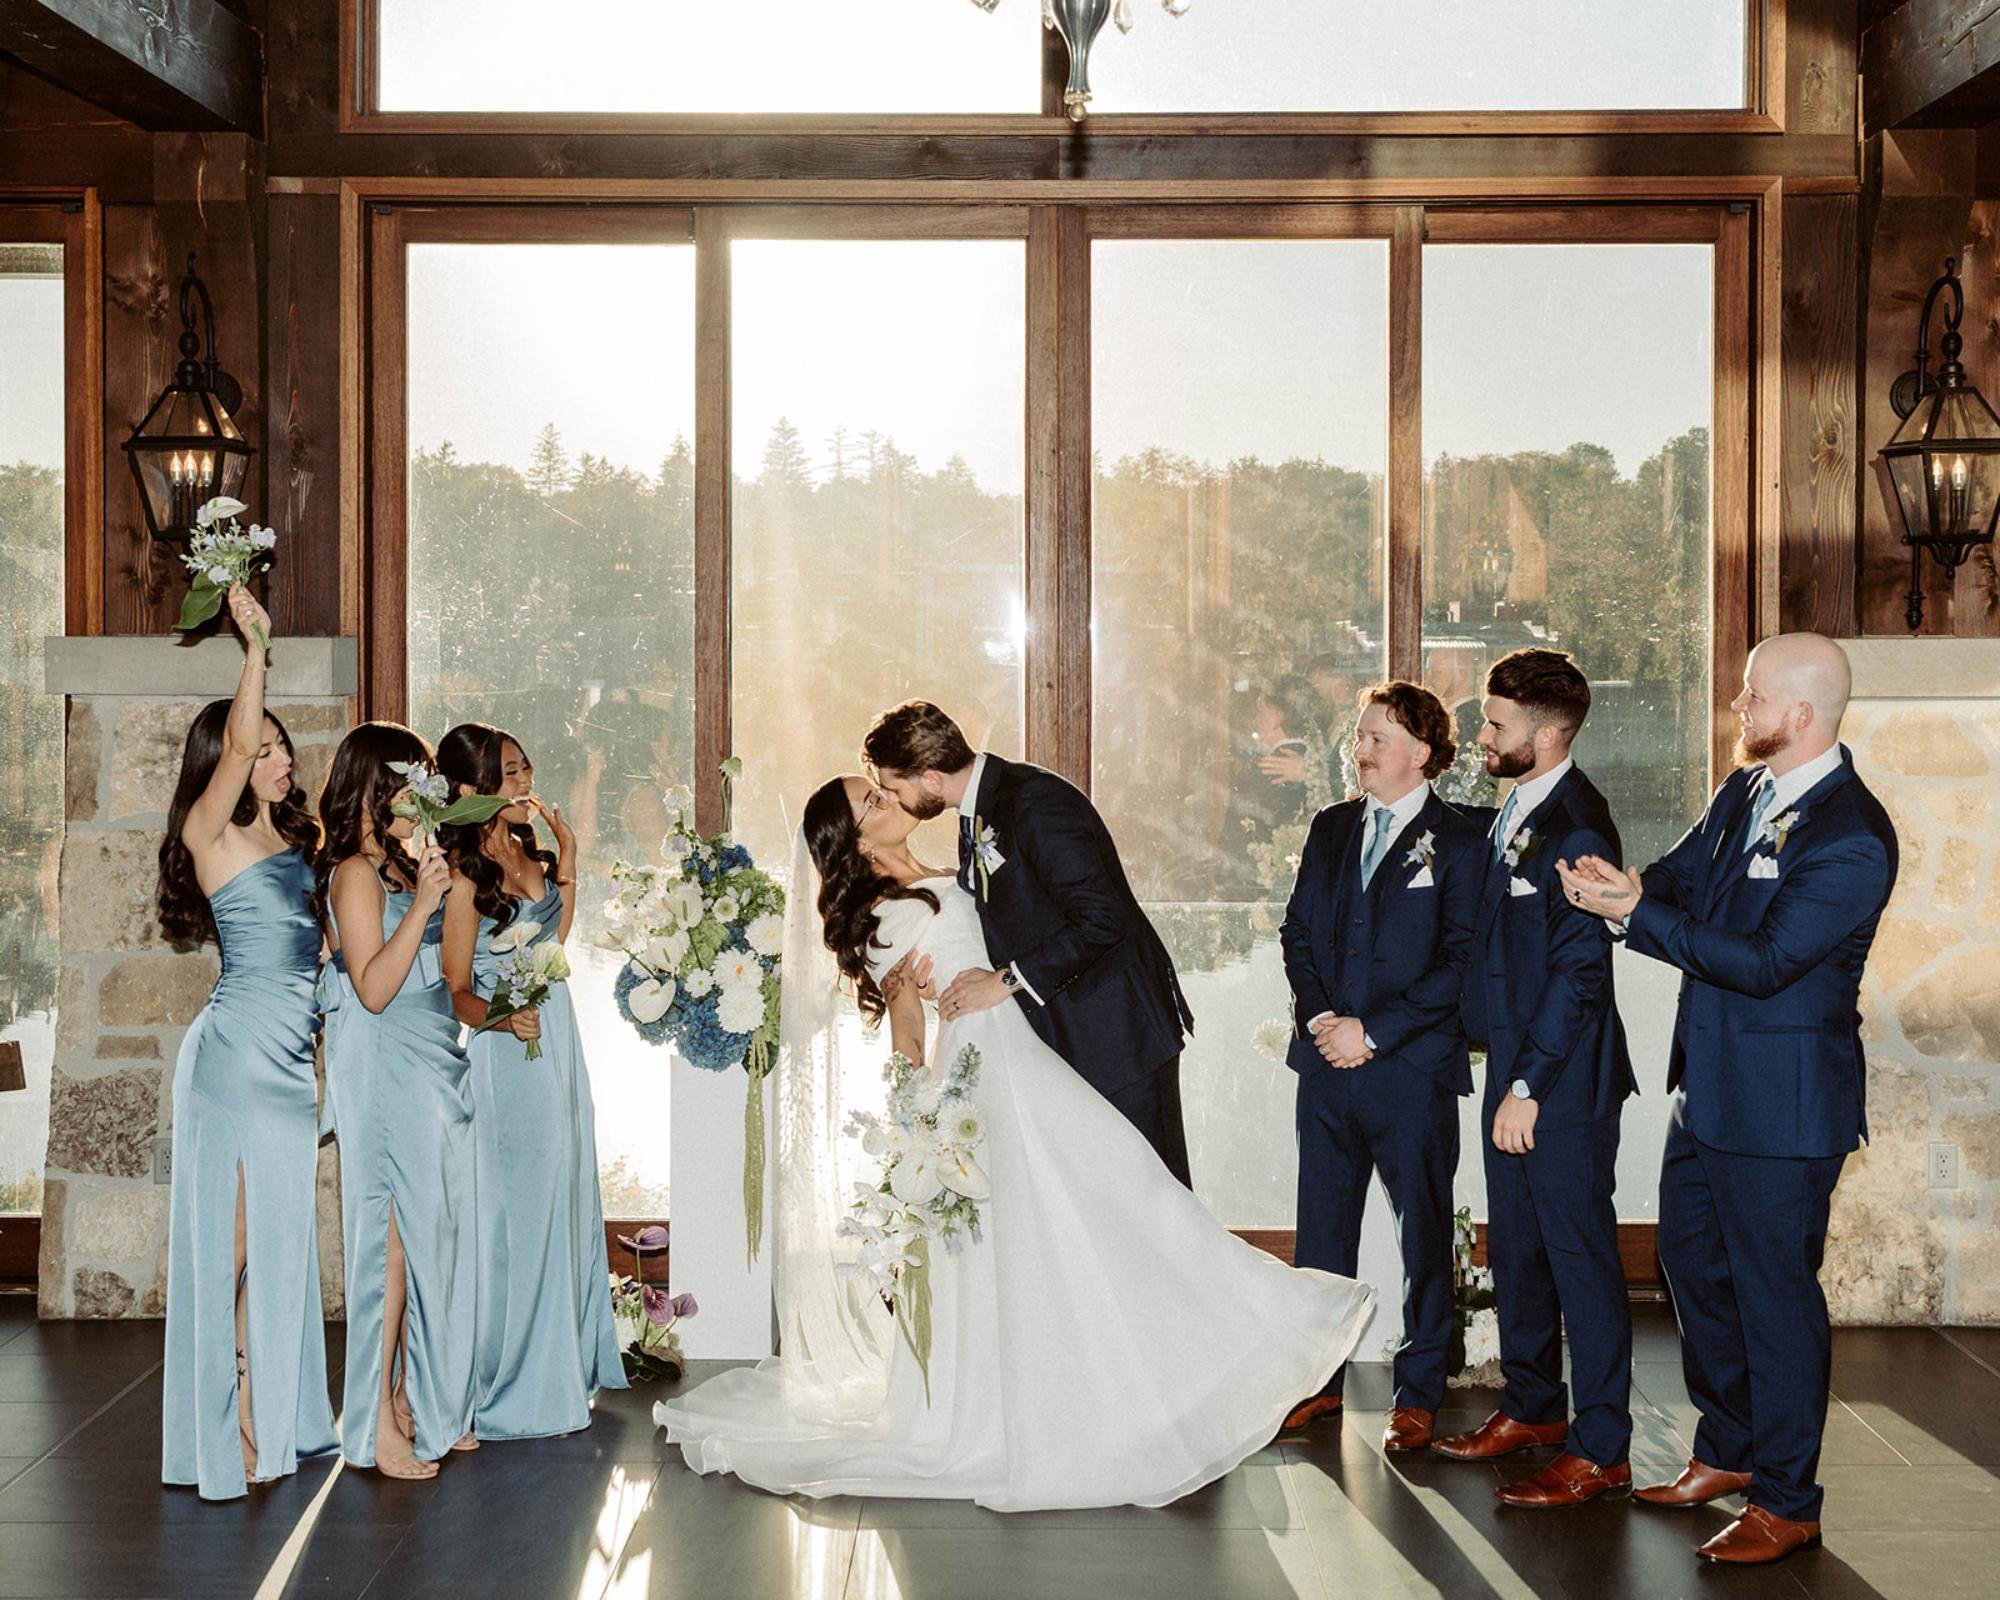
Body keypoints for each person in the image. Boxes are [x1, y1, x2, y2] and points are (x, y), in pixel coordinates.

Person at [652, 774, 1376, 1510]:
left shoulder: (954, 869)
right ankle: (1037, 1413)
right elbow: (907, 1030)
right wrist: (920, 1127)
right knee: (1068, 1219)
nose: (887, 801)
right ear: (855, 842)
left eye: (878, 789)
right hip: (975, 1082)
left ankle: (1196, 1361)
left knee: (1128, 1196)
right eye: (870, 803)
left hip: (1028, 1056)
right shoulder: (877, 920)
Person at [1557, 633, 1897, 1566]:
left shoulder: (1853, 837)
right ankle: (1730, 1450)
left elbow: (1766, 963)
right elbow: (1686, 873)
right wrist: (1631, 887)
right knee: (1692, 1265)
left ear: (1801, 713)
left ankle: (1789, 1501)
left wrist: (1638, 919)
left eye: (1751, 697)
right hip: (1706, 1089)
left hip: (1785, 1110)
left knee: (1775, 1299)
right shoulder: (1746, 790)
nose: (1737, 710)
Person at [1433, 648, 1637, 1510]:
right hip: (1513, 1075)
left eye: (1495, 724)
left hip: (1560, 1088)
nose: (1481, 736)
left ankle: (1603, 1449)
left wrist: (1531, 1087)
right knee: (1516, 1251)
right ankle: (1533, 1411)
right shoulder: (1513, 808)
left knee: (1580, 1263)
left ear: (1549, 735)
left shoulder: (1578, 828)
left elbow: (1579, 976)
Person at [155, 587, 337, 1500]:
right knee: (230, 1247)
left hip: (290, 1067)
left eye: (278, 746)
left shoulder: (308, 846)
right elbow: (231, 742)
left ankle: (276, 1412)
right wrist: (254, 645)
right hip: (230, 1060)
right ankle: (227, 1423)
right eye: (256, 745)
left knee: (280, 1245)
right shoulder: (208, 834)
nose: (271, 756)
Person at [862, 701, 1197, 1187]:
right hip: (1070, 1032)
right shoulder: (979, 810)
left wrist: (1004, 981)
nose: (893, 801)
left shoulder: (1035, 801)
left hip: (1118, 1032)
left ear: (930, 779)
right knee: (1109, 1205)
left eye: (894, 788)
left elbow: (1104, 919)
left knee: (1159, 1202)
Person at [1277, 682, 1485, 1453]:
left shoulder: (1463, 840)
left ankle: (1420, 1389)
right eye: (1357, 737)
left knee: (1423, 1230)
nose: (1359, 751)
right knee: (1321, 1234)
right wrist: (1322, 1018)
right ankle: (1316, 1385)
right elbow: (1298, 932)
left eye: (1377, 739)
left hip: (1411, 1070)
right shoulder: (1331, 828)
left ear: (1421, 753)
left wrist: (1378, 1031)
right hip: (1328, 1066)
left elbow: (1463, 959)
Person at [438, 722, 627, 1439]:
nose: (525, 784)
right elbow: (455, 988)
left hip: (558, 1042)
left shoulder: (527, 851)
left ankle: (561, 1368)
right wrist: (500, 1021)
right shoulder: (462, 878)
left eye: (525, 769)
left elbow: (554, 943)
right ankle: (507, 1384)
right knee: (518, 1215)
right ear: (470, 789)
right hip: (506, 1054)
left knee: (562, 1197)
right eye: (510, 773)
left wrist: (570, 861)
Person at [316, 723, 479, 1479]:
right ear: (378, 795)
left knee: (419, 1237)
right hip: (380, 1059)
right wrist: (424, 904)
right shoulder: (353, 873)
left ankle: (412, 1395)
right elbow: (373, 989)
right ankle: (372, 1425)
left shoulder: (400, 872)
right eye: (413, 792)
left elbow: (437, 975)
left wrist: (432, 887)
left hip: (423, 1058)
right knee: (384, 1244)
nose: (425, 806)